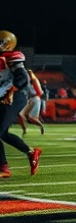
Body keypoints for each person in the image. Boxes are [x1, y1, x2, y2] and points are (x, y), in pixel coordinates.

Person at [0, 30, 42, 179]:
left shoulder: (11, 57)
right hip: (4, 96)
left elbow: (22, 77)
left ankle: (4, 168)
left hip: (15, 96)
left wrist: (11, 92)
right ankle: (31, 153)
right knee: (2, 133)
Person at [17, 68, 45, 135]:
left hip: (35, 99)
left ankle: (41, 126)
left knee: (31, 117)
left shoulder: (34, 81)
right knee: (20, 114)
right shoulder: (26, 81)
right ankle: (24, 130)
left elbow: (40, 92)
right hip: (29, 99)